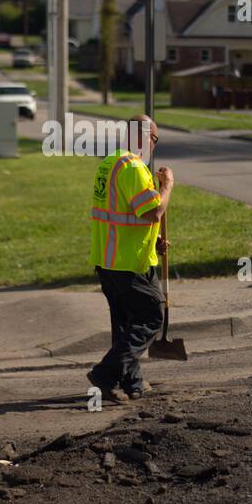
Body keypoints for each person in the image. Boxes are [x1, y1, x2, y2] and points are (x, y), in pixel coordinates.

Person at [87, 114, 173, 402]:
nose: (154, 145)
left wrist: (155, 239)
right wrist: (168, 186)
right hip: (129, 262)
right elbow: (152, 212)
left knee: (124, 325)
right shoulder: (133, 167)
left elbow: (126, 213)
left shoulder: (109, 163)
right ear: (142, 136)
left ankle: (131, 382)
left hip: (108, 258)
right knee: (150, 318)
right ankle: (104, 374)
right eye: (154, 139)